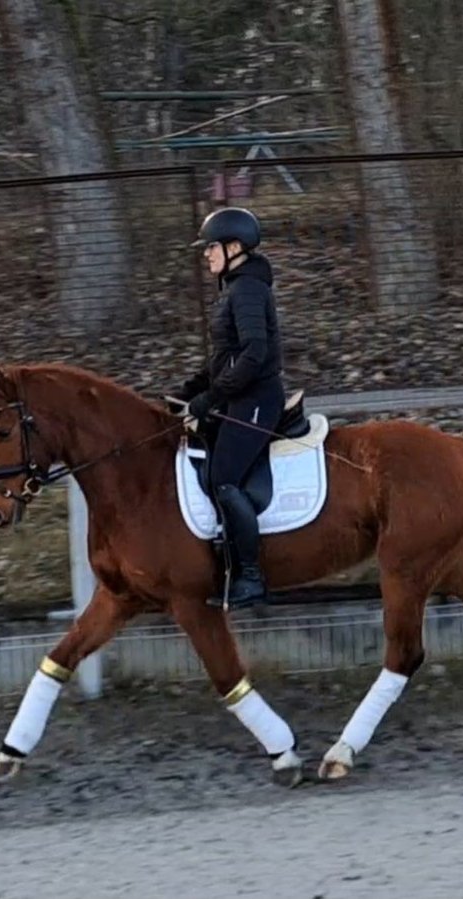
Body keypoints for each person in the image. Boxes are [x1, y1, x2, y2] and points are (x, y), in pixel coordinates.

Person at [176, 206, 285, 609]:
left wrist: (213, 398)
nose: (206, 254)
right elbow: (226, 356)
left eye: (211, 248)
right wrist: (189, 392)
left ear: (234, 247)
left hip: (257, 399)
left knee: (224, 478)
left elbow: (254, 354)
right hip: (239, 394)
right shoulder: (234, 288)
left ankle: (251, 577)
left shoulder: (248, 290)